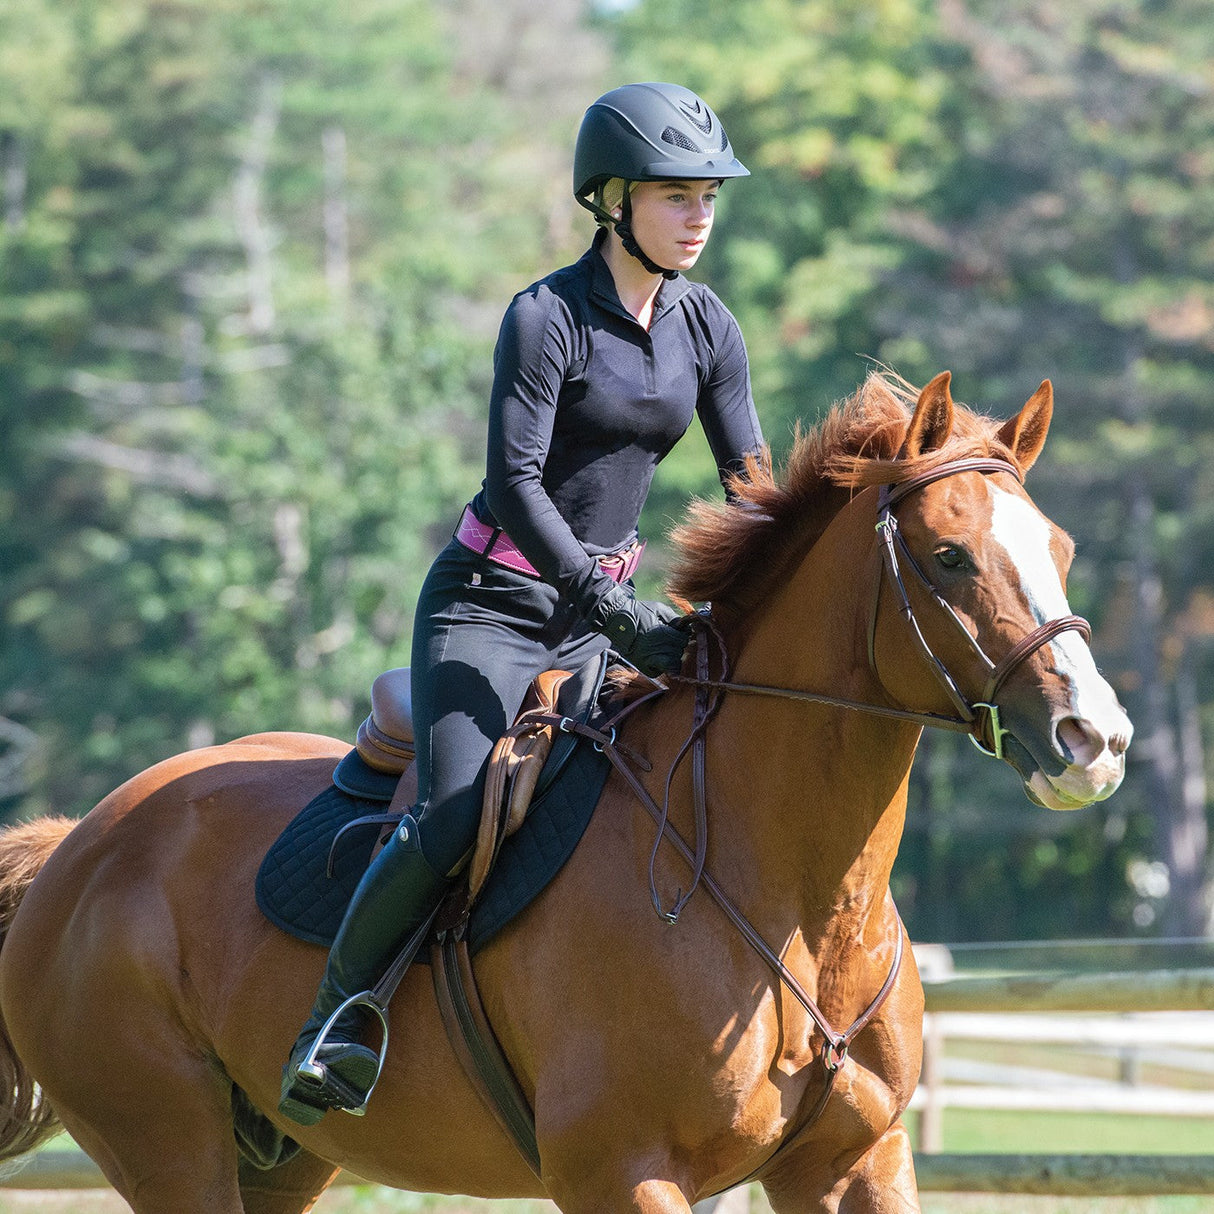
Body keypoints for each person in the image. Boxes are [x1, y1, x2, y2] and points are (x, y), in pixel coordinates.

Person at [278, 81, 766, 1125]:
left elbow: (750, 487)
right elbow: (516, 483)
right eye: (676, 194)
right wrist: (604, 600)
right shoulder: (545, 315)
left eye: (708, 196)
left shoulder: (707, 323)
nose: (698, 214)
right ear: (613, 199)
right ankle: (337, 1015)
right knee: (456, 809)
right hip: (491, 602)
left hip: (604, 610)